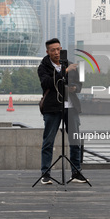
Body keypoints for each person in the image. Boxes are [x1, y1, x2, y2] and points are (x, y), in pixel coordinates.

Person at [38, 38, 86, 184]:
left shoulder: (70, 64)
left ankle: (76, 172)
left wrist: (74, 88)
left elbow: (79, 84)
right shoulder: (43, 67)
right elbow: (47, 83)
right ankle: (45, 173)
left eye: (58, 49)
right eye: (53, 50)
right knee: (48, 141)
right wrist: (64, 71)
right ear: (47, 52)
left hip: (70, 107)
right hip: (52, 108)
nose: (57, 52)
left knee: (75, 141)